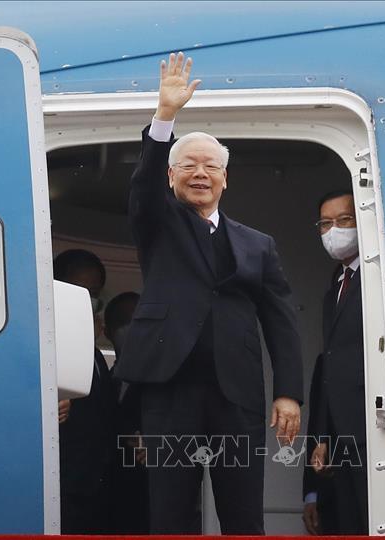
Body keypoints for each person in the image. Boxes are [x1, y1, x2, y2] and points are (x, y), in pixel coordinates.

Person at [113, 52, 304, 534]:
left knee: (242, 513)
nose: (201, 173)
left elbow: (281, 321)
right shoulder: (158, 223)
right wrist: (165, 117)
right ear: (171, 176)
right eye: (189, 166)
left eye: (211, 166)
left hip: (235, 392)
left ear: (224, 177)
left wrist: (287, 393)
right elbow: (142, 189)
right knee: (171, 513)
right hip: (169, 387)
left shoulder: (257, 245)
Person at [302, 189, 368, 535]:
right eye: (326, 223)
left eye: (344, 221)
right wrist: (324, 438)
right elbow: (329, 370)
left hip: (371, 432)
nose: (334, 230)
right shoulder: (335, 289)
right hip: (340, 440)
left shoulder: (374, 280)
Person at [54, 249, 116, 534]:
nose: (87, 300)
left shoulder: (97, 355)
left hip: (95, 481)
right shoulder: (42, 340)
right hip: (61, 482)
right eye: (79, 290)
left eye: (93, 293)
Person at [104, 291, 149, 534]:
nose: (131, 329)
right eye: (123, 321)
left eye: (139, 320)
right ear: (107, 331)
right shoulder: (100, 380)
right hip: (107, 505)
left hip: (151, 505)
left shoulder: (167, 382)